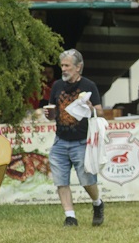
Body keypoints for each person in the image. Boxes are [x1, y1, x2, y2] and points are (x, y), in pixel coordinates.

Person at [44, 49, 104, 227]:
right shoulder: (57, 86)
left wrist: (90, 108)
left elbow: (100, 112)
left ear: (78, 67)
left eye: (67, 66)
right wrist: (49, 115)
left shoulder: (89, 85)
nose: (63, 69)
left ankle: (97, 203)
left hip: (82, 141)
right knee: (60, 180)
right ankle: (70, 217)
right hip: (60, 140)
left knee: (87, 180)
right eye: (62, 65)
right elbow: (53, 111)